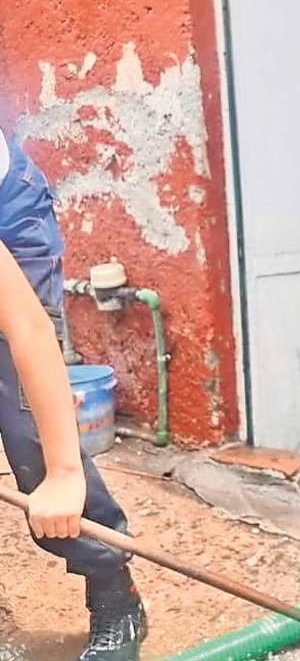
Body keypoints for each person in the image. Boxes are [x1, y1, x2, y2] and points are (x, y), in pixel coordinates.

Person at [0, 137, 146, 660]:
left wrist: (63, 474)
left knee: (31, 432)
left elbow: (27, 331)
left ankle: (114, 591)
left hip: (8, 219)